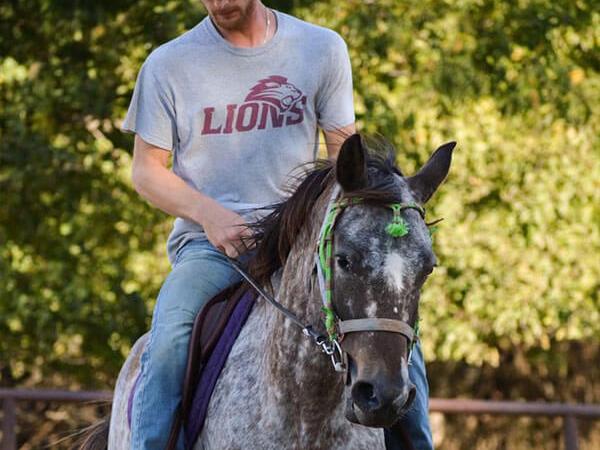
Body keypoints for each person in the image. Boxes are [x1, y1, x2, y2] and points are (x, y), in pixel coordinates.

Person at [121, 1, 433, 449]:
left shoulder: (321, 48)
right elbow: (146, 171)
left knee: (393, 330)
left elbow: (347, 167)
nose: (220, 3)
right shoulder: (168, 64)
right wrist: (209, 214)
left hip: (303, 247)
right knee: (171, 332)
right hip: (213, 248)